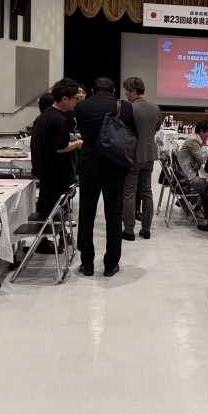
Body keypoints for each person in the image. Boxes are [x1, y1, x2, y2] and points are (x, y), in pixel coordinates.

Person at [74, 77, 137, 277]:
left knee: (86, 215)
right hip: (115, 166)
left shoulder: (81, 107)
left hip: (89, 165)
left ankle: (87, 263)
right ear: (114, 90)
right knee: (114, 216)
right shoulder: (124, 107)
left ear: (92, 90)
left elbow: (83, 132)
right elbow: (132, 134)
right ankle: (111, 264)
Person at [31, 80, 82, 252]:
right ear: (65, 99)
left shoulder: (46, 114)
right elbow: (61, 147)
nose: (76, 102)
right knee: (52, 208)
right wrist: (79, 144)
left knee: (48, 206)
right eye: (75, 98)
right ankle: (44, 242)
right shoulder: (59, 119)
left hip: (46, 169)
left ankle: (55, 237)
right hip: (55, 171)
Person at [121, 77, 161, 241]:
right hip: (149, 154)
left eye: (127, 91)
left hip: (132, 155)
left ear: (133, 91)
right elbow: (157, 128)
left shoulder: (129, 108)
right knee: (147, 192)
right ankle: (146, 230)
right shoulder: (155, 107)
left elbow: (122, 131)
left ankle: (129, 230)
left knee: (129, 193)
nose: (125, 93)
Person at [180, 120, 208, 196]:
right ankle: (205, 203)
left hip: (189, 171)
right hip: (187, 177)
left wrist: (198, 161)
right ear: (201, 131)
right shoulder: (193, 140)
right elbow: (201, 159)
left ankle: (199, 202)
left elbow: (200, 155)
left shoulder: (196, 137)